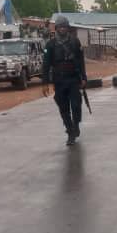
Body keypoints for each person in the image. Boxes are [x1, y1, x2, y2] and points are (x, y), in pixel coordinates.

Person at [43, 16, 88, 145]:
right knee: (63, 107)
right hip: (59, 80)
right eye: (60, 27)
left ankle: (76, 124)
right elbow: (46, 65)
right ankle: (70, 131)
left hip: (73, 79)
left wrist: (83, 77)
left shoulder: (75, 42)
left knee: (76, 105)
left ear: (68, 28)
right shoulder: (50, 45)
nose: (62, 29)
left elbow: (80, 61)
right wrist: (45, 83)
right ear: (56, 28)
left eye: (64, 26)